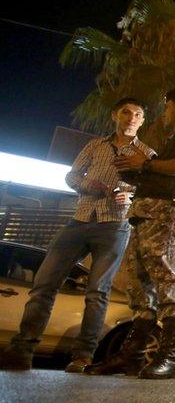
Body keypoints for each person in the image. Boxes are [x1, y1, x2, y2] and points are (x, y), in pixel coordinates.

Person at [0, 98, 153, 372]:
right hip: (79, 220)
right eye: (126, 112)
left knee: (97, 292)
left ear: (142, 121)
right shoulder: (95, 145)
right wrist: (87, 184)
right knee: (44, 284)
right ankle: (22, 349)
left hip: (114, 226)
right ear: (115, 115)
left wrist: (129, 196)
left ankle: (83, 356)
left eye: (138, 114)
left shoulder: (146, 154)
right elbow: (71, 176)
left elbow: (151, 193)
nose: (131, 118)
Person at [86, 88, 175, 379]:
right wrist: (136, 175)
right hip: (146, 216)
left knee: (168, 280)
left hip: (169, 216)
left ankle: (168, 356)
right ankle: (132, 356)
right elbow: (163, 172)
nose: (164, 114)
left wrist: (144, 164)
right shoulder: (173, 139)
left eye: (167, 108)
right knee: (140, 288)